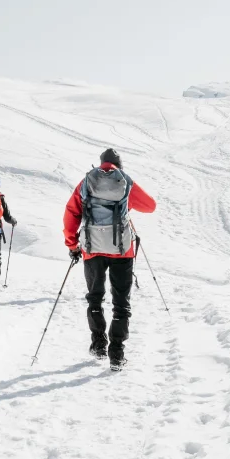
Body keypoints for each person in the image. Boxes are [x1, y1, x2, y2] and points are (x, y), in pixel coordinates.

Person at [63, 147, 156, 370]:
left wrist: (72, 244)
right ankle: (116, 353)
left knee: (95, 296)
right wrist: (125, 204)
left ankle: (98, 344)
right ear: (118, 165)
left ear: (101, 163)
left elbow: (71, 212)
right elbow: (151, 206)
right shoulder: (125, 181)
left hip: (92, 248)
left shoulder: (87, 182)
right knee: (121, 301)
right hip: (122, 250)